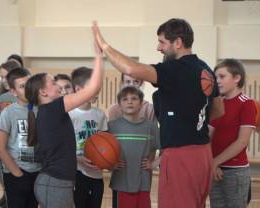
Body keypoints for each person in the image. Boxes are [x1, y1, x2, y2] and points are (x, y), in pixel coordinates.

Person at [92, 19, 224, 207]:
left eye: (162, 42)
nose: (158, 47)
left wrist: (103, 45)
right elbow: (219, 110)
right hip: (203, 155)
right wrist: (191, 118)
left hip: (181, 157)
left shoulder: (175, 69)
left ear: (177, 43)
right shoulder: (205, 69)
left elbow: (131, 69)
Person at [25, 37, 103, 208]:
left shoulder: (47, 112)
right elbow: (93, 88)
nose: (58, 86)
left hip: (55, 184)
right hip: (54, 185)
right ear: (43, 92)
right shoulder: (53, 108)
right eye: (53, 83)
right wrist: (98, 55)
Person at [209, 59, 256, 208]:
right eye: (215, 78)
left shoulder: (246, 103)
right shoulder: (216, 103)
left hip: (236, 172)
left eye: (222, 77)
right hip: (214, 169)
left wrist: (216, 161)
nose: (217, 81)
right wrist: (213, 163)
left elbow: (242, 141)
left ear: (236, 78)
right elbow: (208, 136)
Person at [0, 68, 41, 208]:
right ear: (13, 92)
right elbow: (1, 147)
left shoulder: (41, 109)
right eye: (22, 86)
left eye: (29, 84)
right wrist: (17, 173)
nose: (27, 88)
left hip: (38, 172)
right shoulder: (8, 113)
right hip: (17, 173)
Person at [108, 86, 159, 208]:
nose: (130, 101)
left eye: (134, 98)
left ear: (141, 104)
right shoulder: (111, 127)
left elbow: (167, 149)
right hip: (120, 183)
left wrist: (154, 164)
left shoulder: (150, 127)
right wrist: (110, 164)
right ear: (119, 105)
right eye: (125, 99)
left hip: (143, 183)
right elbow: (102, 151)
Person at [69, 67, 108, 208]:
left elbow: (105, 142)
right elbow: (62, 147)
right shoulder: (70, 115)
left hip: (97, 174)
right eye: (93, 86)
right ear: (78, 89)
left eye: (98, 86)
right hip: (77, 172)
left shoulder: (100, 115)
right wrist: (77, 158)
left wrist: (107, 160)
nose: (97, 90)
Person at [0, 60, 20, 208]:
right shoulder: (2, 97)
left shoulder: (26, 97)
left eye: (5, 76)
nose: (3, 80)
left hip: (20, 151)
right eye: (1, 77)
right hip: (3, 148)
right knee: (8, 185)